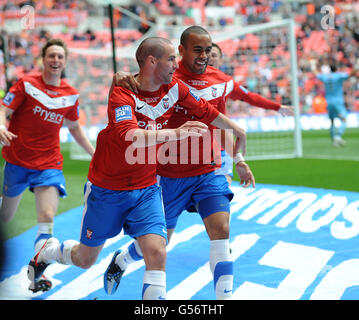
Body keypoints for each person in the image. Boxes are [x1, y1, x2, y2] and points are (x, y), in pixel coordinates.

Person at [27, 36, 252, 300]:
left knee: (157, 252)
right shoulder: (123, 93)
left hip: (147, 188)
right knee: (85, 258)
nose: (176, 64)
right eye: (171, 59)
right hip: (108, 188)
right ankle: (49, 252)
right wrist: (175, 134)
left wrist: (236, 129)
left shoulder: (174, 88)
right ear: (151, 61)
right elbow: (128, 134)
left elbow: (204, 110)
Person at [111, 27, 257, 300]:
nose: (205, 56)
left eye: (208, 49)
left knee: (222, 231)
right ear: (180, 51)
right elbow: (135, 89)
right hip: (168, 175)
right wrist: (121, 78)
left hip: (207, 169)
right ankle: (122, 260)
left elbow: (216, 119)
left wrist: (238, 157)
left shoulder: (216, 82)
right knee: (158, 243)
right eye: (198, 50)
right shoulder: (166, 77)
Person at [0, 38, 95, 293]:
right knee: (5, 216)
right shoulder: (26, 84)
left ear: (65, 61)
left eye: (60, 57)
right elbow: (4, 109)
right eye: (51, 55)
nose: (55, 60)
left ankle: (38, 265)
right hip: (17, 160)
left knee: (47, 217)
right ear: (43, 59)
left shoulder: (70, 94)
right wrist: (0, 125)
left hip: (48, 164)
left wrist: (94, 153)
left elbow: (75, 129)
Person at [209, 42, 294, 184]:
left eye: (214, 55)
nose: (210, 59)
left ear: (221, 60)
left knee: (222, 190)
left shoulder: (226, 82)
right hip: (192, 146)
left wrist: (277, 107)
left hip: (220, 143)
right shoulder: (188, 81)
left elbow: (250, 97)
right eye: (207, 55)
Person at [312, 60, 358, 146]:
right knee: (344, 119)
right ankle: (338, 135)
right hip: (338, 101)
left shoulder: (325, 77)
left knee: (332, 121)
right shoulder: (339, 76)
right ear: (336, 69)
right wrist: (357, 66)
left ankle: (334, 141)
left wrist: (312, 66)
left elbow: (316, 74)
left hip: (328, 101)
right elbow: (351, 74)